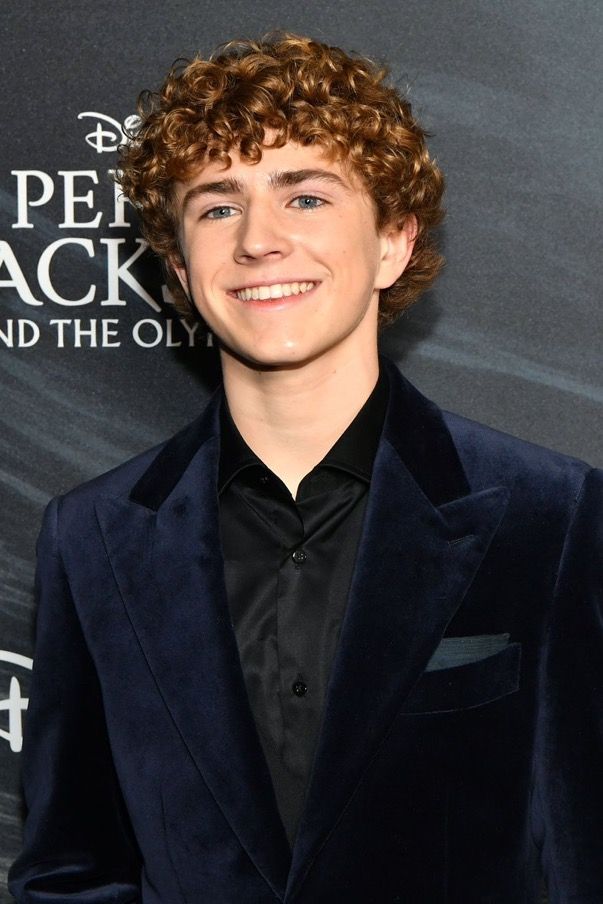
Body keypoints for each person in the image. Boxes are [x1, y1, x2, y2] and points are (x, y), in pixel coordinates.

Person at [9, 32, 603, 904]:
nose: (259, 240)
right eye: (217, 207)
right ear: (178, 269)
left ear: (394, 242)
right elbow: (71, 870)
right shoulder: (92, 534)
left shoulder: (548, 515)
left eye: (307, 198)